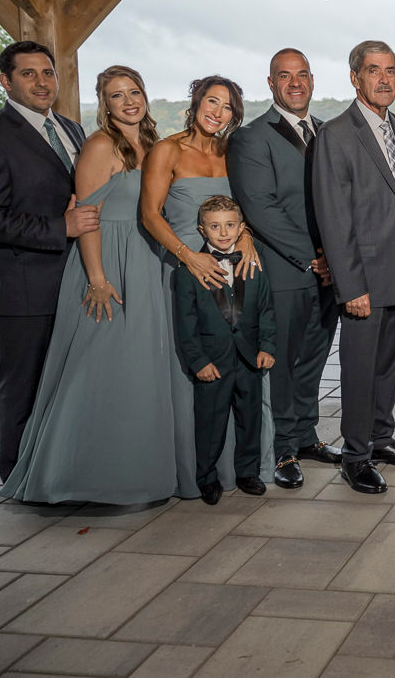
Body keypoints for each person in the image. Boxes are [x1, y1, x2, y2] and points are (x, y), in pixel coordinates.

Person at [0, 66, 195, 504]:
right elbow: (86, 218)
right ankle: (79, 475)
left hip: (151, 262)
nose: (128, 101)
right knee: (102, 368)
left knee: (145, 368)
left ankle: (145, 467)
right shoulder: (100, 145)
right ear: (104, 104)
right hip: (109, 263)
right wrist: (98, 278)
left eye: (134, 92)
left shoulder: (154, 143)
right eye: (116, 95)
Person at [0, 40, 97, 481]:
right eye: (28, 73)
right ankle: (19, 479)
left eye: (47, 72)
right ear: (6, 80)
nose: (41, 82)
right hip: (20, 292)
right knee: (24, 392)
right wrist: (61, 227)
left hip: (72, 283)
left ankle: (58, 474)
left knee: (65, 387)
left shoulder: (71, 129)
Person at [313, 40, 395, 496]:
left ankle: (381, 439)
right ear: (355, 77)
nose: (384, 79)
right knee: (359, 369)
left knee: (391, 363)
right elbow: (333, 215)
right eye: (374, 70)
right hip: (363, 277)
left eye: (391, 70)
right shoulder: (337, 133)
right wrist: (350, 285)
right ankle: (355, 456)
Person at [141, 75, 265, 493]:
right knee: (194, 365)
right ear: (195, 103)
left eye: (228, 107)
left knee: (240, 372)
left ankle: (242, 468)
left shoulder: (232, 153)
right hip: (185, 270)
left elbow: (243, 208)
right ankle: (194, 472)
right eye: (212, 102)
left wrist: (246, 237)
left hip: (230, 275)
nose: (218, 112)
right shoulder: (168, 149)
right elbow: (150, 214)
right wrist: (188, 256)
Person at [228, 48, 342, 490]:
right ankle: (283, 449)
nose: (295, 83)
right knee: (282, 364)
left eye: (302, 75)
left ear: (312, 80)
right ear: (271, 83)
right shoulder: (251, 138)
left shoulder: (327, 132)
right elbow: (261, 208)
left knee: (314, 357)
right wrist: (315, 256)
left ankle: (307, 436)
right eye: (284, 76)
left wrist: (336, 259)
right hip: (285, 270)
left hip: (330, 272)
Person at [175, 196, 275, 505]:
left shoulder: (254, 263)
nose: (223, 232)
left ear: (241, 228)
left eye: (230, 225)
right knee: (210, 421)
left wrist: (267, 346)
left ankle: (248, 472)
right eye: (215, 226)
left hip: (249, 358)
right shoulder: (187, 270)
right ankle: (207, 478)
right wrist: (198, 361)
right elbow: (186, 322)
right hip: (212, 362)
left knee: (250, 418)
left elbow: (266, 309)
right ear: (202, 230)